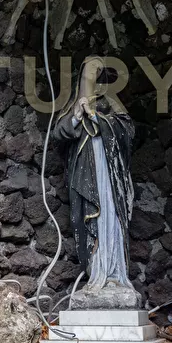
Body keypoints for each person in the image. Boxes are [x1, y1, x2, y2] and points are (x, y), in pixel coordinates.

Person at [52, 56, 136, 297]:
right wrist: (78, 115)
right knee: (87, 218)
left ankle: (115, 273)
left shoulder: (109, 100)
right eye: (90, 71)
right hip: (85, 173)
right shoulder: (71, 105)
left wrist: (100, 120)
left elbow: (128, 129)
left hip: (109, 174)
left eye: (97, 71)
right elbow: (59, 135)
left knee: (110, 215)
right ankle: (95, 272)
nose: (93, 76)